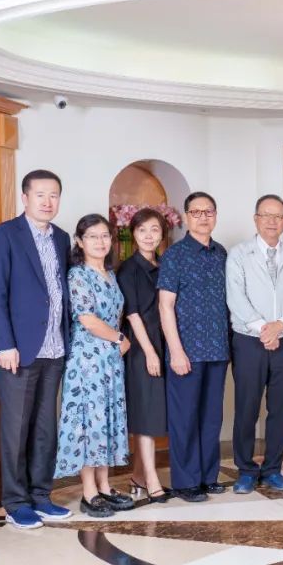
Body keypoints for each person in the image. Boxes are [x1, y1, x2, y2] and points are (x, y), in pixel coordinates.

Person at [0, 169, 73, 529]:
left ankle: (41, 495)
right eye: (40, 194)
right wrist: (4, 343)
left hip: (55, 348)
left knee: (45, 429)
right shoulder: (4, 235)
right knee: (16, 429)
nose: (48, 202)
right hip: (18, 351)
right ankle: (16, 501)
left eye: (54, 195)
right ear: (25, 198)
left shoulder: (62, 238)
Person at [53, 215, 132, 517]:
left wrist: (115, 342)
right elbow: (87, 319)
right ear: (79, 241)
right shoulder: (78, 275)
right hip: (87, 360)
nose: (100, 242)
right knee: (89, 423)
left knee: (106, 420)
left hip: (110, 359)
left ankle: (105, 486)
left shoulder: (110, 273)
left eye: (105, 236)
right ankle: (89, 492)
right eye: (92, 236)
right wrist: (120, 338)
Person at [227, 194, 283, 494]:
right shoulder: (238, 254)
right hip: (249, 342)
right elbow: (236, 297)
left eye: (278, 216)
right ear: (256, 219)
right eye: (266, 215)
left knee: (280, 409)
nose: (272, 221)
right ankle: (246, 470)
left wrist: (280, 326)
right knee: (247, 408)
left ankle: (273, 469)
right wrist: (264, 329)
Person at [158, 192, 229, 503]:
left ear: (215, 216)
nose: (203, 217)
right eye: (196, 212)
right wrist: (176, 351)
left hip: (217, 349)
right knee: (185, 418)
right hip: (186, 351)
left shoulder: (221, 253)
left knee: (211, 418)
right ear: (187, 217)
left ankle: (207, 477)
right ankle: (186, 482)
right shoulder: (174, 255)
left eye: (208, 211)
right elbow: (165, 306)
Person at [117, 208, 171, 503]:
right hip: (142, 347)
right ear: (133, 234)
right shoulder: (128, 269)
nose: (148, 236)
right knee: (146, 414)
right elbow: (133, 314)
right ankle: (151, 479)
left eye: (154, 229)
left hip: (164, 344)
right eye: (142, 230)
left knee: (153, 411)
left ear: (163, 234)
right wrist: (150, 352)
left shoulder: (164, 265)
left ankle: (138, 477)